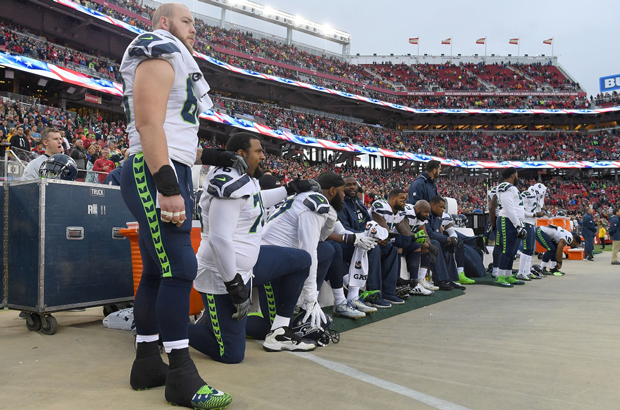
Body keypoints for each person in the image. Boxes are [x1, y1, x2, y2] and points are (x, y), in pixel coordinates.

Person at [119, 3, 232, 409]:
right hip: (155, 171)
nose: (194, 31)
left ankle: (148, 362)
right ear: (164, 22)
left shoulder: (173, 55)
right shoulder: (159, 47)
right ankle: (181, 375)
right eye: (187, 21)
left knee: (156, 271)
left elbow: (171, 127)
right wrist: (167, 184)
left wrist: (210, 156)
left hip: (165, 166)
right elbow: (149, 123)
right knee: (181, 267)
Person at [189, 132, 319, 363]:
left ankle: (279, 330)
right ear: (241, 154)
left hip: (248, 266)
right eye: (258, 151)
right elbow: (220, 240)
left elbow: (256, 201)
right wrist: (234, 285)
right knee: (231, 354)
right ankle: (166, 324)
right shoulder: (229, 182)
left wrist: (291, 188)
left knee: (300, 260)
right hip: (222, 274)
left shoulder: (243, 177)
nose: (263, 156)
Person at [261, 171, 374, 320]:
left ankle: (309, 302)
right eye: (342, 191)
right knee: (270, 326)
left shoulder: (318, 201)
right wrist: (311, 298)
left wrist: (358, 238)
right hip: (271, 261)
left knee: (328, 249)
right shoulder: (316, 204)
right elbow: (310, 251)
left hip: (284, 254)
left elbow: (322, 237)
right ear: (333, 190)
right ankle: (306, 303)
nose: (344, 196)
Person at [338, 176, 400, 308]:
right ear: (342, 188)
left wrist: (377, 235)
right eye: (348, 185)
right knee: (374, 248)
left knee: (391, 249)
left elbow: (368, 223)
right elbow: (344, 230)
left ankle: (389, 292)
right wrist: (367, 237)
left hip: (365, 239)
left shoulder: (359, 203)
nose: (352, 187)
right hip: (349, 243)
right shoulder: (340, 204)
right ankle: (373, 293)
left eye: (354, 184)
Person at [494, 168, 527, 288]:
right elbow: (509, 207)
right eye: (517, 175)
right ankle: (500, 276)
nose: (518, 178)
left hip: (514, 221)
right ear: (513, 175)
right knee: (507, 250)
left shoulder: (511, 188)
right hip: (507, 220)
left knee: (512, 251)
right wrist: (518, 225)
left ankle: (507, 275)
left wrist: (520, 224)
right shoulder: (505, 187)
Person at [425, 196, 466, 291]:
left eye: (444, 207)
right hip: (424, 241)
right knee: (436, 243)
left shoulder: (438, 218)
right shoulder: (427, 215)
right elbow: (429, 233)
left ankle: (450, 279)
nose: (443, 210)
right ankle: (440, 280)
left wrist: (451, 240)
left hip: (434, 240)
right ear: (433, 205)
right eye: (441, 207)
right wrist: (447, 238)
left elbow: (437, 233)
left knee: (449, 246)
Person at [517, 183, 547, 281]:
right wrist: (534, 214)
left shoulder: (535, 197)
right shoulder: (527, 194)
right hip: (526, 223)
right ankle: (521, 272)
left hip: (531, 224)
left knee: (530, 250)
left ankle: (527, 271)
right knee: (527, 248)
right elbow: (521, 211)